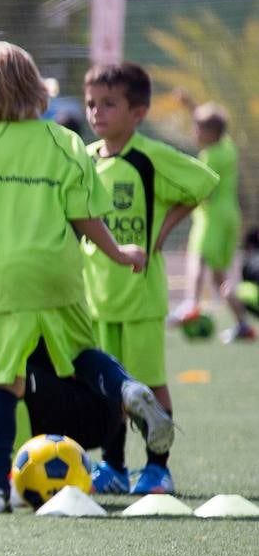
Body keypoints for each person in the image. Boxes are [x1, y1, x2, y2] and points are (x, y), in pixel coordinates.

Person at [0, 40, 167, 513]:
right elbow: (84, 215)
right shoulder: (66, 142)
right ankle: (125, 386)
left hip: (5, 280)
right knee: (83, 353)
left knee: (2, 379)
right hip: (60, 273)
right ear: (34, 89)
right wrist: (117, 250)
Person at [0, 222, 165, 505]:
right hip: (104, 412)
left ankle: (6, 479)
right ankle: (117, 441)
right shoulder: (44, 283)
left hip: (76, 415)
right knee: (13, 378)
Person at [80, 62, 216, 495]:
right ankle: (114, 468)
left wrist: (163, 229)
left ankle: (159, 469)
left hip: (140, 294)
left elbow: (203, 184)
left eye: (108, 104)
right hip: (96, 295)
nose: (96, 113)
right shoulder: (83, 160)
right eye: (91, 104)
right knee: (109, 391)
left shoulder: (149, 157)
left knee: (150, 382)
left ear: (138, 112)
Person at [174, 103, 250, 341]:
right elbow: (215, 122)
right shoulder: (228, 148)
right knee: (221, 277)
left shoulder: (210, 156)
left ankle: (190, 304)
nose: (194, 132)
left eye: (198, 128)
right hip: (230, 216)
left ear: (210, 132)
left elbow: (202, 189)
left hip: (213, 217)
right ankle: (243, 325)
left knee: (197, 258)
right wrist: (189, 104)